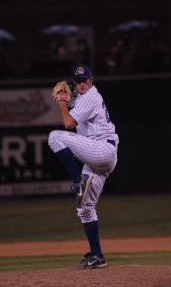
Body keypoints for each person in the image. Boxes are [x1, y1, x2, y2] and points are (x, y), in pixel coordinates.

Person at [48, 64, 119, 269]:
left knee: (54, 138)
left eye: (84, 80)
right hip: (99, 157)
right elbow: (74, 112)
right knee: (85, 207)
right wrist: (67, 101)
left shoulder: (91, 96)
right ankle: (97, 255)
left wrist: (61, 100)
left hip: (102, 149)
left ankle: (77, 181)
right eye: (77, 81)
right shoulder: (82, 98)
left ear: (91, 80)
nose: (80, 84)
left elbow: (69, 124)